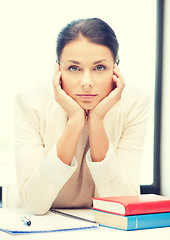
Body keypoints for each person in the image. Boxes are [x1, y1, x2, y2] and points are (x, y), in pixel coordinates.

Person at [15, 18, 150, 215]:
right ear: (58, 70)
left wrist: (96, 121)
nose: (86, 82)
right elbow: (34, 203)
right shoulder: (30, 103)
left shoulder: (135, 104)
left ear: (116, 69)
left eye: (99, 68)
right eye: (74, 68)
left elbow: (122, 203)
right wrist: (75, 122)